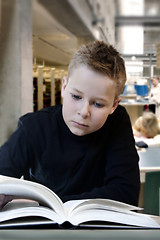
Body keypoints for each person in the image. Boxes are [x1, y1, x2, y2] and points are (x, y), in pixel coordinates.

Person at [0, 41, 140, 210]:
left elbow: (126, 194)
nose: (83, 112)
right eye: (76, 96)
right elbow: (3, 179)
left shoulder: (117, 121)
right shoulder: (33, 126)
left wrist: (42, 203)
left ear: (114, 105)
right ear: (64, 87)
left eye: (98, 104)